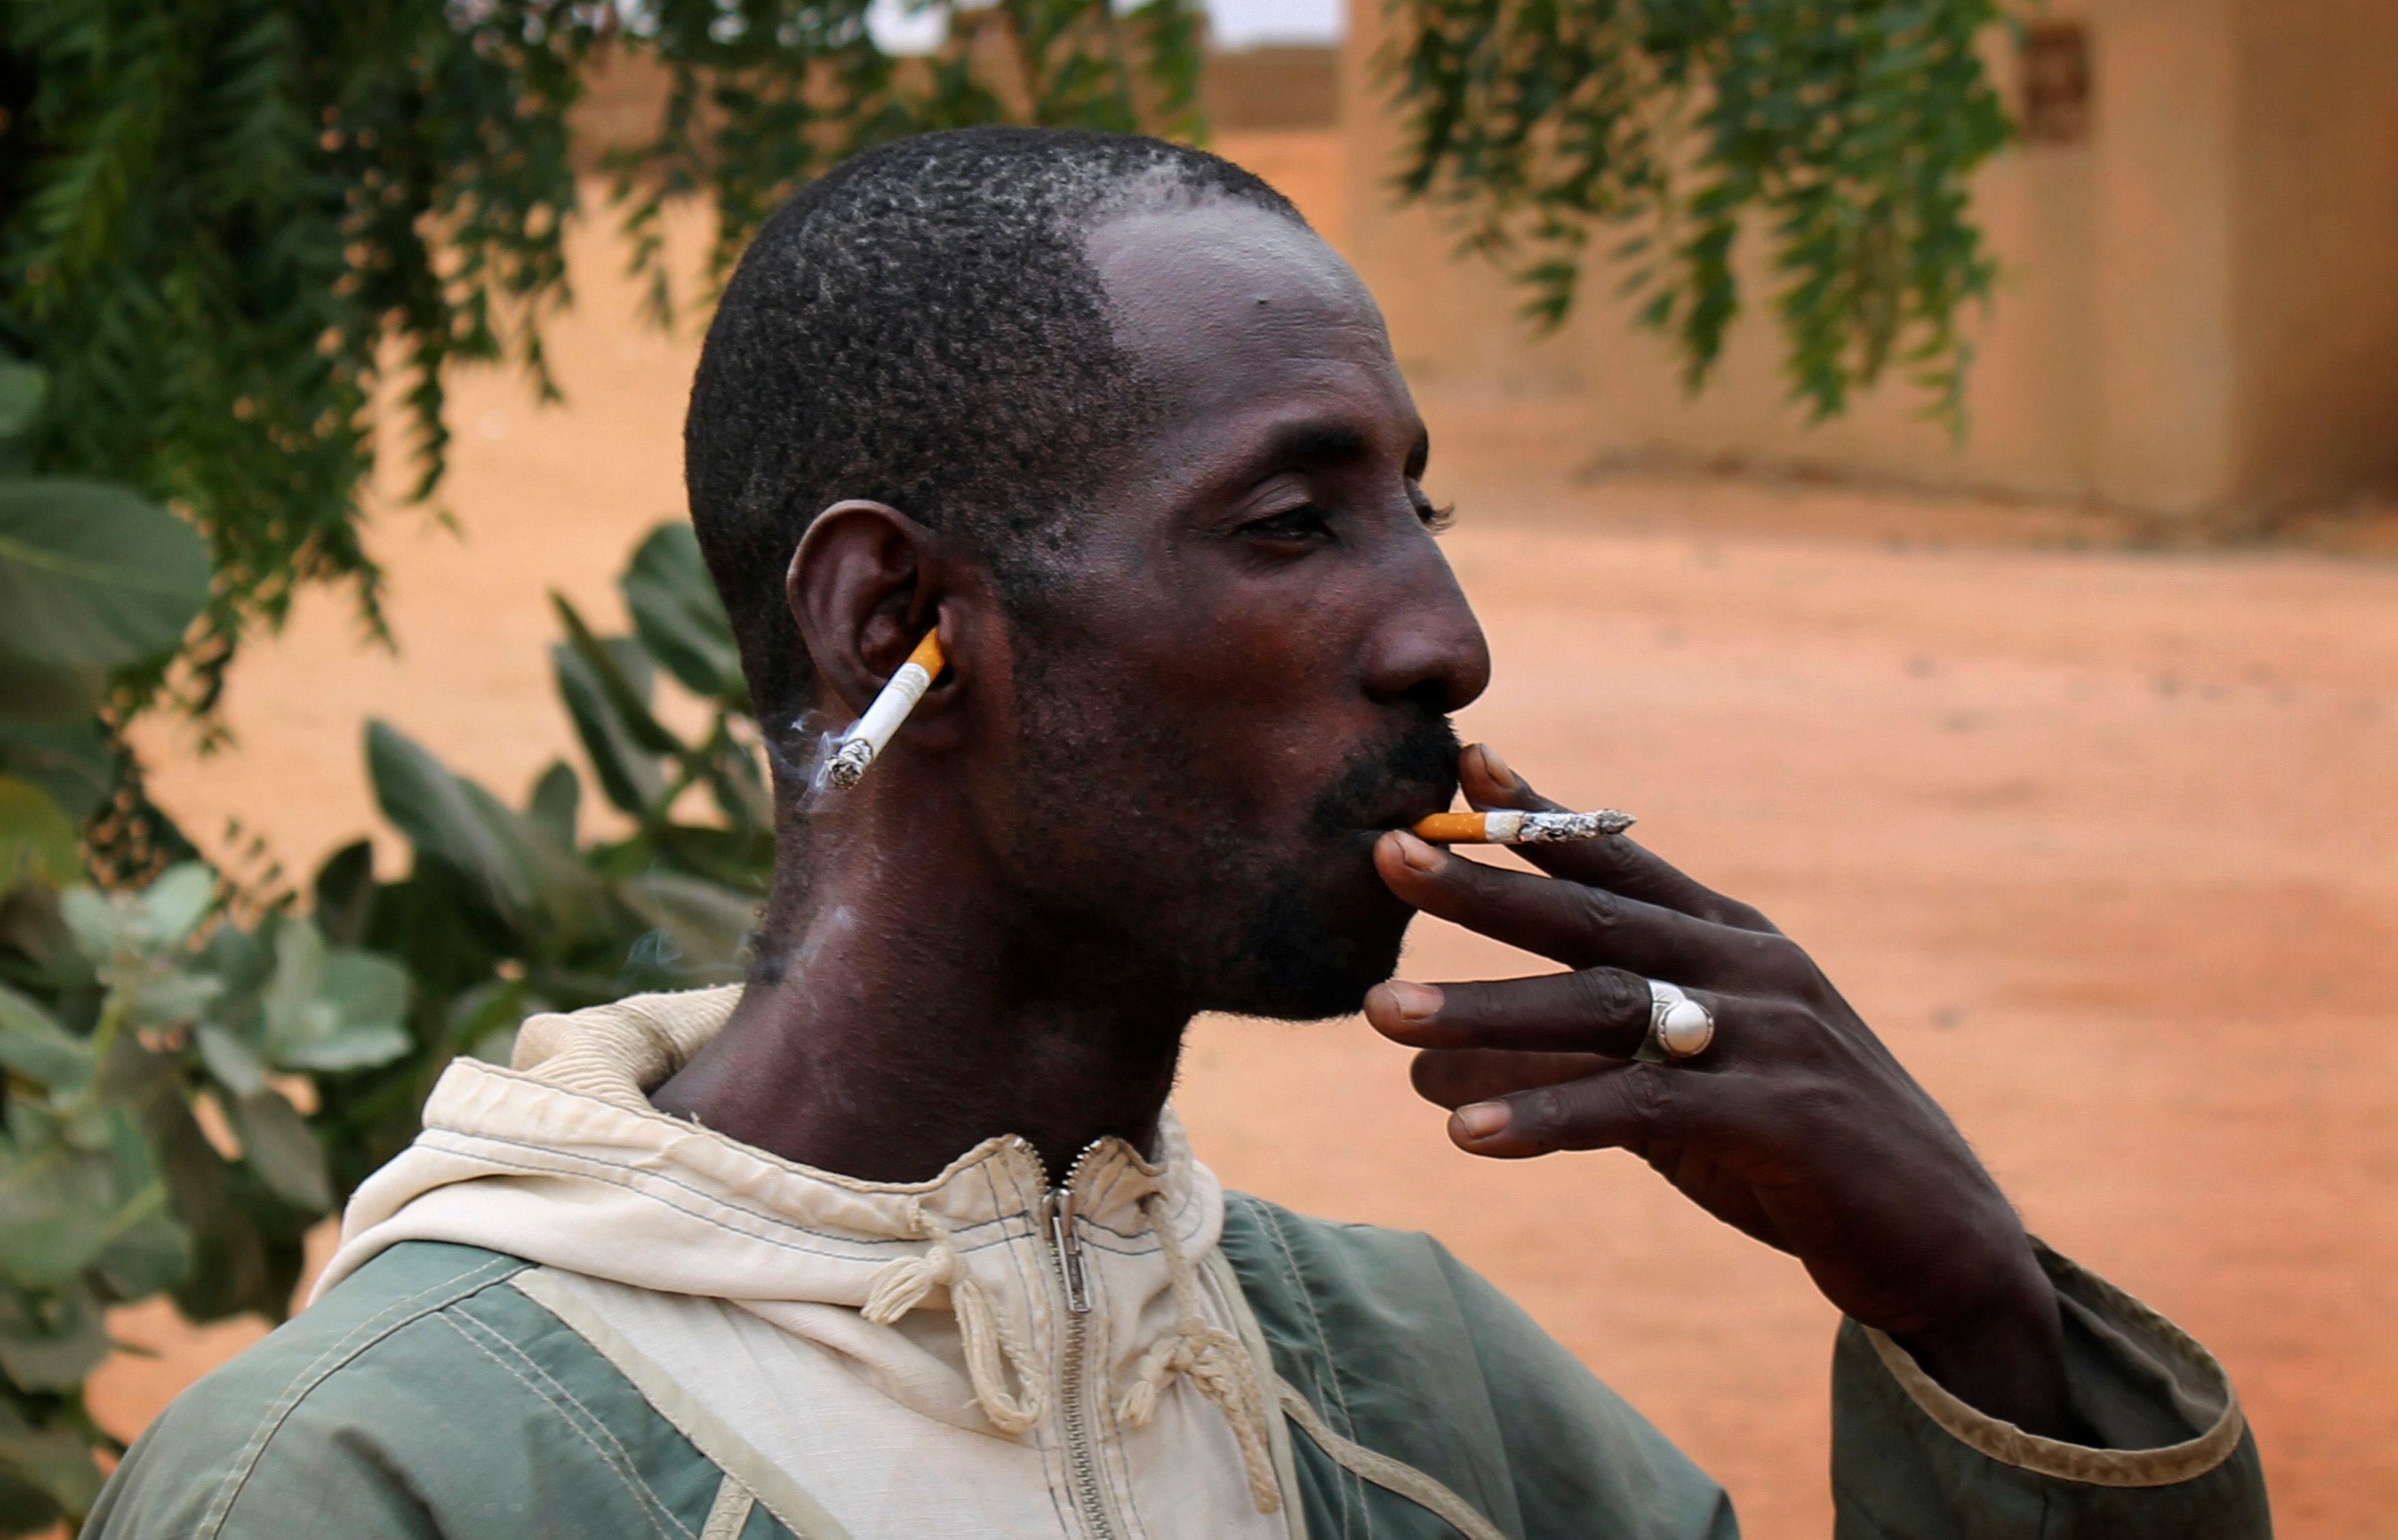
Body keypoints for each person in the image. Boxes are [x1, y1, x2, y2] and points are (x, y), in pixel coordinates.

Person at [86, 127, 2269, 1539]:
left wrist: (1970, 1314)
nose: (1445, 637)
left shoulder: (1438, 1411)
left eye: (1424, 507)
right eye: (1293, 520)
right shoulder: (387, 1482)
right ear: (897, 623)